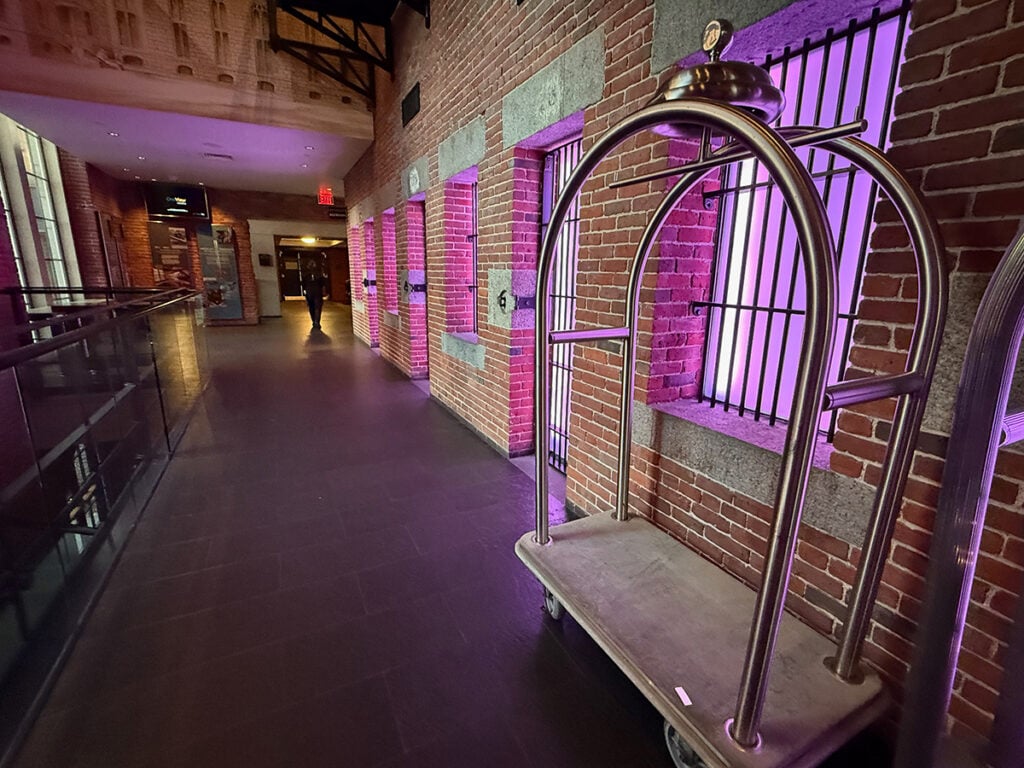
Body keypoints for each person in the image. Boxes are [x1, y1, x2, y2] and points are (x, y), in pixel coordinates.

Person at [300, 255, 327, 329]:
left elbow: (322, 284)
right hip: (313, 292)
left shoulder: (316, 274)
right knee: (314, 307)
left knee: (315, 307)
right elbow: (304, 284)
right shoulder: (309, 275)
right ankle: (315, 321)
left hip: (314, 292)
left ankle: (316, 321)